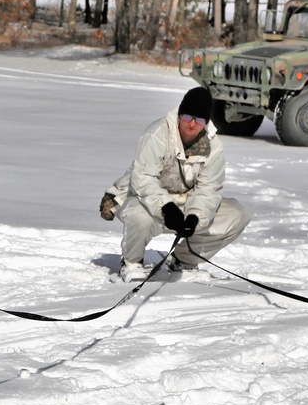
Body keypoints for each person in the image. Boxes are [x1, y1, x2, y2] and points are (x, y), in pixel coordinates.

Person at [100, 87, 251, 282]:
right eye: (188, 116)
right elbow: (143, 178)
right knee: (140, 217)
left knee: (238, 215)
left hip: (185, 201)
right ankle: (131, 263)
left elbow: (209, 189)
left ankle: (183, 260)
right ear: (180, 114)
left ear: (206, 122)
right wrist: (167, 208)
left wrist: (195, 217)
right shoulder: (157, 134)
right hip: (141, 196)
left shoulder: (214, 147)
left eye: (199, 119)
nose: (192, 123)